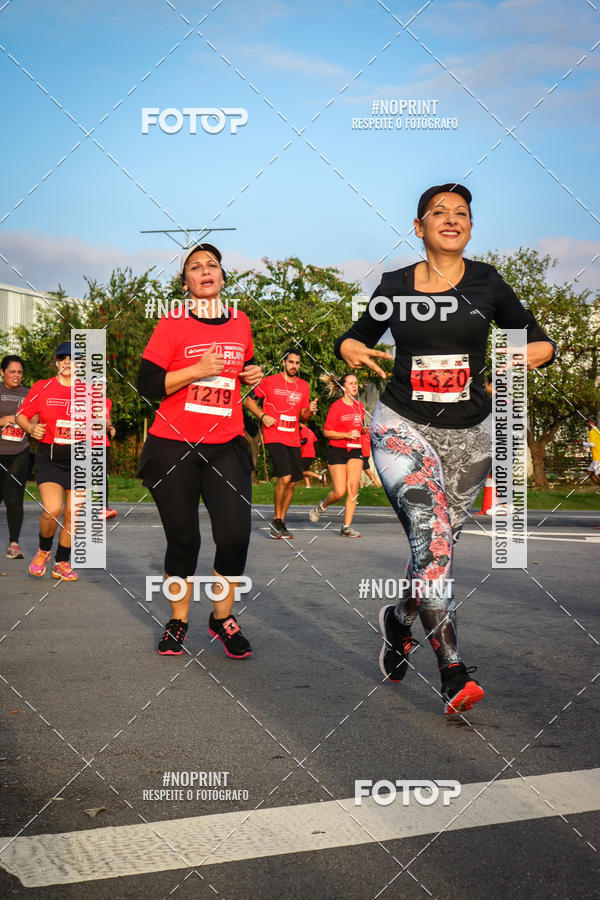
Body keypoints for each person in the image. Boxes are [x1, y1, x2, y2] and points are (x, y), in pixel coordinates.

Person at [334, 183, 557, 714]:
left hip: (468, 433)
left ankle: (399, 620)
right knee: (434, 547)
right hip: (401, 425)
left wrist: (525, 357)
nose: (451, 219)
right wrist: (354, 349)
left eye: (462, 213)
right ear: (419, 228)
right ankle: (453, 673)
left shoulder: (487, 282)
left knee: (435, 552)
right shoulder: (394, 285)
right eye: (439, 212)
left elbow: (543, 341)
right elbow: (353, 336)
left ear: (471, 228)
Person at [137, 243, 262, 658]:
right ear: (185, 282)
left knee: (234, 535)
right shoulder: (171, 324)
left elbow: (240, 374)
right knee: (183, 540)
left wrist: (252, 375)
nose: (205, 270)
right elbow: (149, 385)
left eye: (212, 265)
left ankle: (221, 618)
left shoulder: (241, 322)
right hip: (173, 446)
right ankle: (177, 620)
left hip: (225, 445)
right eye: (195, 267)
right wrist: (195, 370)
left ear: (223, 277)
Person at [16, 342, 80, 581]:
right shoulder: (43, 387)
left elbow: (99, 421)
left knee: (74, 513)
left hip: (79, 458)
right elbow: (21, 416)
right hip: (50, 457)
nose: (67, 362)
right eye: (62, 358)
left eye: (72, 359)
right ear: (57, 361)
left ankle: (61, 562)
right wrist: (32, 428)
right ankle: (44, 550)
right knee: (53, 510)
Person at [243, 349, 317, 539]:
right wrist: (262, 415)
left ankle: (281, 522)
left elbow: (304, 417)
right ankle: (276, 520)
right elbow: (248, 401)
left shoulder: (303, 386)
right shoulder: (269, 382)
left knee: (292, 482)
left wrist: (310, 410)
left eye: (297, 363)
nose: (294, 366)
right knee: (284, 477)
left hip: (293, 438)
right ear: (284, 362)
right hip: (274, 436)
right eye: (291, 362)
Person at [309, 372, 366, 537]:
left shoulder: (360, 406)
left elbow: (358, 429)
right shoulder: (336, 406)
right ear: (343, 387)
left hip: (355, 450)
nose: (354, 385)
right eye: (351, 383)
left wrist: (363, 431)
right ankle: (322, 506)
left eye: (356, 382)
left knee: (353, 488)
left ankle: (346, 527)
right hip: (338, 450)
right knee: (340, 492)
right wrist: (346, 435)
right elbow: (327, 432)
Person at [0, 355, 31, 558]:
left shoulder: (28, 394)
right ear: (2, 372)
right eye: (12, 371)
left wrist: (30, 424)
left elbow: (36, 418)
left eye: (19, 372)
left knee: (14, 499)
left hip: (19, 452)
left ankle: (14, 543)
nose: (16, 375)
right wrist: (6, 420)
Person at [100, 393, 118, 520]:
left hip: (103, 442)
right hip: (87, 441)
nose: (101, 387)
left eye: (104, 384)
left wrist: (110, 427)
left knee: (102, 475)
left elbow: (105, 419)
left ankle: (103, 507)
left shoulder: (107, 401)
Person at [300, 423, 324, 487]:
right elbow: (315, 441)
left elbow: (305, 440)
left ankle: (320, 477)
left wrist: (297, 444)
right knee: (305, 470)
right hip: (311, 453)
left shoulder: (303, 431)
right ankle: (308, 486)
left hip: (306, 453)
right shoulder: (310, 431)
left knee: (299, 471)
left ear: (300, 423)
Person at [583, 420, 600, 486]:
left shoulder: (592, 432)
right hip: (596, 455)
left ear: (593, 423)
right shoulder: (598, 431)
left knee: (597, 474)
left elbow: (592, 444)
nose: (588, 424)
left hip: (597, 456)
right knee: (590, 473)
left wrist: (583, 443)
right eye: (587, 423)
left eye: (589, 423)